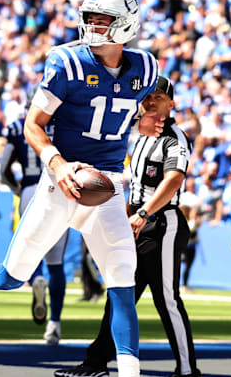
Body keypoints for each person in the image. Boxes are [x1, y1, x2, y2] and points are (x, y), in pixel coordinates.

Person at [0, 0, 164, 377]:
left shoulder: (146, 67)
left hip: (110, 184)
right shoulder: (67, 62)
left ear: (126, 24)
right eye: (90, 18)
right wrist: (59, 163)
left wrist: (149, 116)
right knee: (12, 275)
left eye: (104, 20)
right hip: (62, 181)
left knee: (122, 281)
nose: (94, 27)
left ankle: (129, 374)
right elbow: (34, 125)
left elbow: (153, 100)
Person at [55, 76, 201, 377]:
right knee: (120, 293)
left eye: (158, 97)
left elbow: (174, 179)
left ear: (171, 103)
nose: (151, 101)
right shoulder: (141, 135)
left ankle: (187, 371)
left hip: (162, 223)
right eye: (148, 96)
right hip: (135, 222)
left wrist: (144, 213)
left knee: (167, 299)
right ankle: (96, 363)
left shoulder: (174, 137)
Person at [0, 111, 70, 344]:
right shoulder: (66, 120)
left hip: (30, 188)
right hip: (59, 186)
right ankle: (55, 324)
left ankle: (37, 277)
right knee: (57, 262)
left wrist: (16, 189)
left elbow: (3, 168)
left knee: (32, 249)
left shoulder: (19, 125)